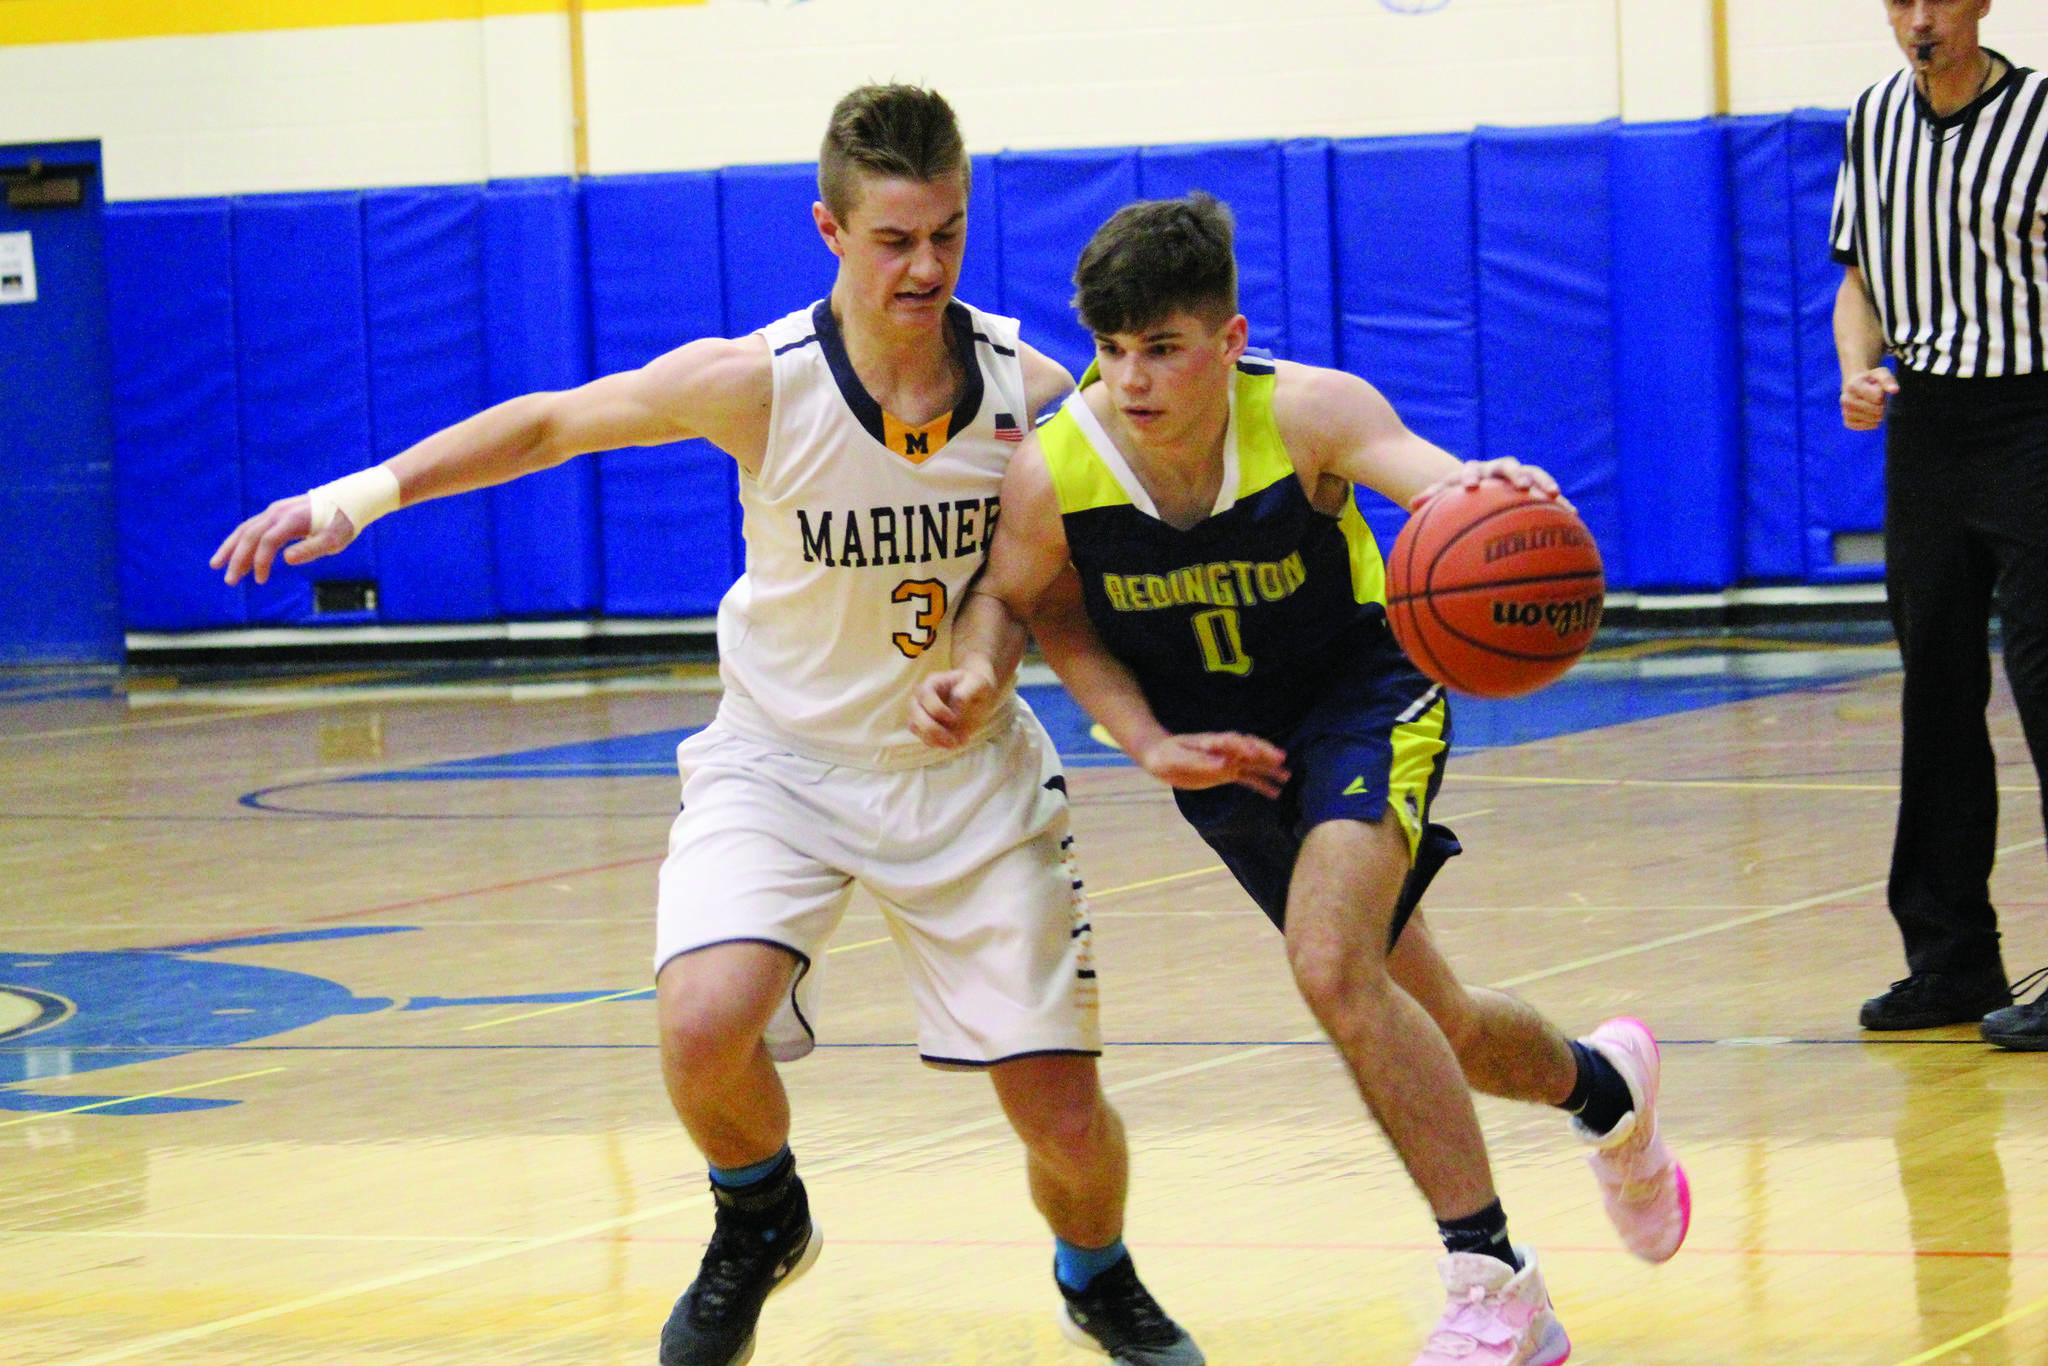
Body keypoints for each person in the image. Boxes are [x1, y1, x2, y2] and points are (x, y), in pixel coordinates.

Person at [210, 85, 1204, 1366]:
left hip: (962, 780)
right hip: (779, 764)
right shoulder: (758, 383)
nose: (925, 265)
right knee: (696, 1023)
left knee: (1060, 1118)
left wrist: (982, 661)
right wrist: (362, 496)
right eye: (894, 238)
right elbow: (553, 423)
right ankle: (757, 1214)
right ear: (829, 232)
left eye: (947, 234)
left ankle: (1098, 1273)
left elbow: (1033, 588)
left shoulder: (1033, 391)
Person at [912, 193, 1690, 1366]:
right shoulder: (1058, 467)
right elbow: (1030, 607)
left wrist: (1483, 494)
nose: (1131, 379)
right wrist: (1110, 729)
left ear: (1227, 340)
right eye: (1112, 350)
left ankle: (1494, 1281)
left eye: (1162, 348)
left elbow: (1427, 479)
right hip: (1221, 756)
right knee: (1446, 1024)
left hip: (1360, 700)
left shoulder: (1309, 413)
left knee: (1328, 962)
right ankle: (1604, 1091)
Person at [1833, 0, 2048, 1048]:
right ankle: (1950, 957)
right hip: (1924, 426)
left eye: (1938, 0)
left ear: (1981, 5)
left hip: (2034, 416)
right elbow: (1858, 283)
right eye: (1899, 2)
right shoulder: (1871, 121)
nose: (1918, 21)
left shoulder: (2042, 118)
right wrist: (1855, 372)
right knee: (1935, 693)